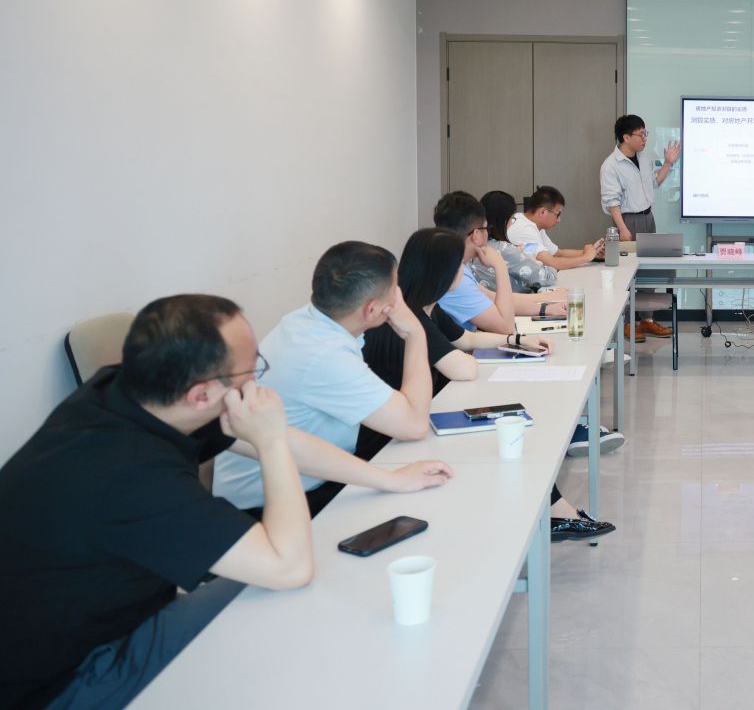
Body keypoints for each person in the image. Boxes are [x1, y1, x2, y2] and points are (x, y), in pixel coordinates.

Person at [0, 295, 450, 709]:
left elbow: (293, 443)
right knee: (290, 603)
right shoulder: (129, 473)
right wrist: (269, 441)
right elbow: (290, 568)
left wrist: (389, 479)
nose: (258, 381)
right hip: (67, 679)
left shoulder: (131, 392)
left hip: (100, 617)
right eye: (250, 370)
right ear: (201, 395)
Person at [360, 229, 614, 542]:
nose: (464, 270)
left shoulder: (428, 307)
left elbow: (467, 339)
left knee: (511, 425)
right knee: (506, 435)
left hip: (423, 415)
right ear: (442, 271)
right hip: (392, 440)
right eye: (459, 265)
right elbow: (463, 368)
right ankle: (553, 513)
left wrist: (518, 340)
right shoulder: (412, 318)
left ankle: (555, 510)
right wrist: (487, 346)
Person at [214, 242, 456, 514]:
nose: (398, 296)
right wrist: (415, 333)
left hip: (311, 476)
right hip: (275, 503)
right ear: (372, 310)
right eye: (395, 290)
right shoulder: (322, 353)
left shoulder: (309, 321)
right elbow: (414, 425)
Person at [432, 190, 567, 334]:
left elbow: (492, 297)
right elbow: (506, 327)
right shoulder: (455, 278)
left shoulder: (457, 267)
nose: (488, 233)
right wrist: (499, 265)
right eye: (486, 228)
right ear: (476, 234)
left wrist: (545, 307)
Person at [599, 113, 678, 340]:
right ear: (626, 137)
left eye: (646, 133)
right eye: (641, 134)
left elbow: (655, 183)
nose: (645, 138)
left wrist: (669, 163)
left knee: (649, 270)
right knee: (626, 272)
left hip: (647, 218)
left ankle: (647, 321)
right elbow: (612, 201)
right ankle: (626, 323)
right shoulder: (611, 165)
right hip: (627, 221)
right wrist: (622, 228)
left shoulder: (645, 159)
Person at [471, 189, 557, 295]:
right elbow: (547, 278)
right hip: (519, 302)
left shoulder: (473, 247)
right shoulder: (505, 250)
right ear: (504, 220)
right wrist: (534, 262)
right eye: (512, 218)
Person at [508, 186, 606, 273]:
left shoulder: (534, 225)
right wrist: (586, 257)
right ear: (543, 212)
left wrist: (593, 252)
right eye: (557, 214)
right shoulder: (524, 229)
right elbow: (552, 263)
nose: (559, 220)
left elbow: (557, 253)